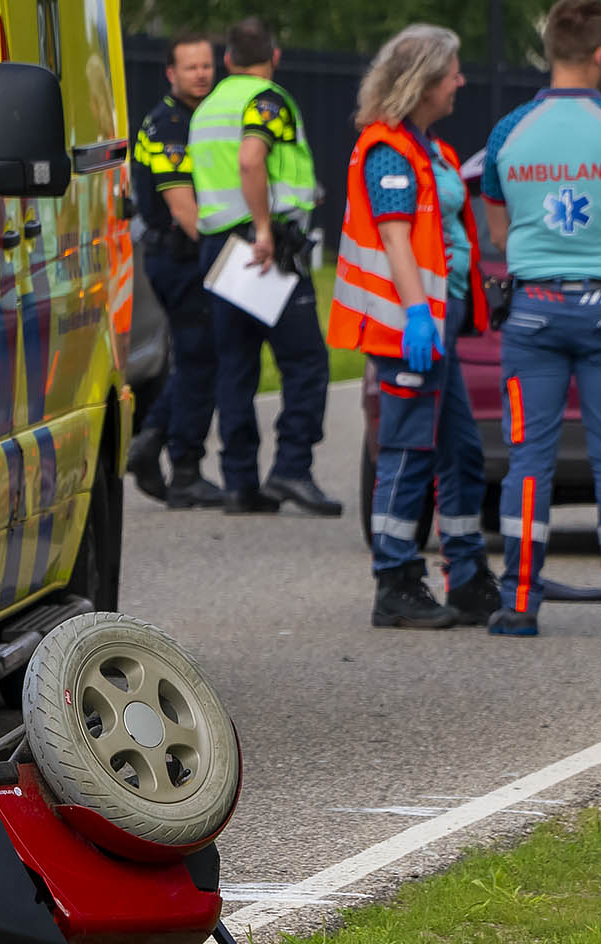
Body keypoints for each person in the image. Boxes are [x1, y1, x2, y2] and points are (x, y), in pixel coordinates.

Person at [481, 0, 601, 638]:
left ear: (550, 50)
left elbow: (499, 233)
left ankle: (518, 604)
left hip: (533, 311)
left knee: (529, 462)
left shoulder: (508, 132)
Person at [328, 24, 500, 629]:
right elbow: (396, 238)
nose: (460, 82)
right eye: (452, 73)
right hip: (409, 327)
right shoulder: (387, 151)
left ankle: (467, 575)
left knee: (461, 451)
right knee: (406, 452)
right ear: (424, 82)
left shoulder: (431, 150)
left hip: (435, 324)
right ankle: (395, 581)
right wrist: (419, 313)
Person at [186, 17, 339, 517]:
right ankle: (292, 467)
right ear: (275, 57)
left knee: (236, 365)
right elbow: (252, 160)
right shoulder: (268, 99)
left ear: (228, 60)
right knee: (306, 361)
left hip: (220, 247)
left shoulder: (208, 107)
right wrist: (265, 229)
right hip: (263, 247)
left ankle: (239, 483)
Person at [128, 32, 224, 509]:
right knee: (199, 360)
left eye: (206, 66)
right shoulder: (169, 124)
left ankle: (151, 443)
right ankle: (183, 468)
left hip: (184, 257)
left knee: (196, 358)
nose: (201, 75)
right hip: (182, 257)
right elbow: (185, 210)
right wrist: (223, 257)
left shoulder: (197, 117)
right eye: (191, 67)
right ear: (171, 73)